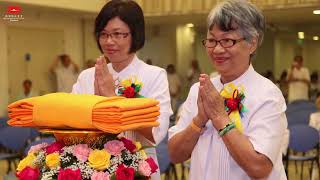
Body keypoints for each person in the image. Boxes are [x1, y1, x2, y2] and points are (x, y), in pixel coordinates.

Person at [168, 1, 287, 180]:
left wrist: (219, 117)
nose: (217, 49)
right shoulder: (199, 90)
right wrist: (199, 120)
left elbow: (259, 167)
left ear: (252, 43)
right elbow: (175, 155)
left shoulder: (268, 94)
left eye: (227, 40)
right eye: (212, 40)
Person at [72, 1, 172, 179]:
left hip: (138, 168)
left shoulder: (154, 75)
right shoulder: (87, 76)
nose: (109, 41)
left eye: (117, 34)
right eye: (103, 34)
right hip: (92, 167)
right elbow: (71, 123)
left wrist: (112, 98)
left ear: (135, 35)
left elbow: (157, 133)